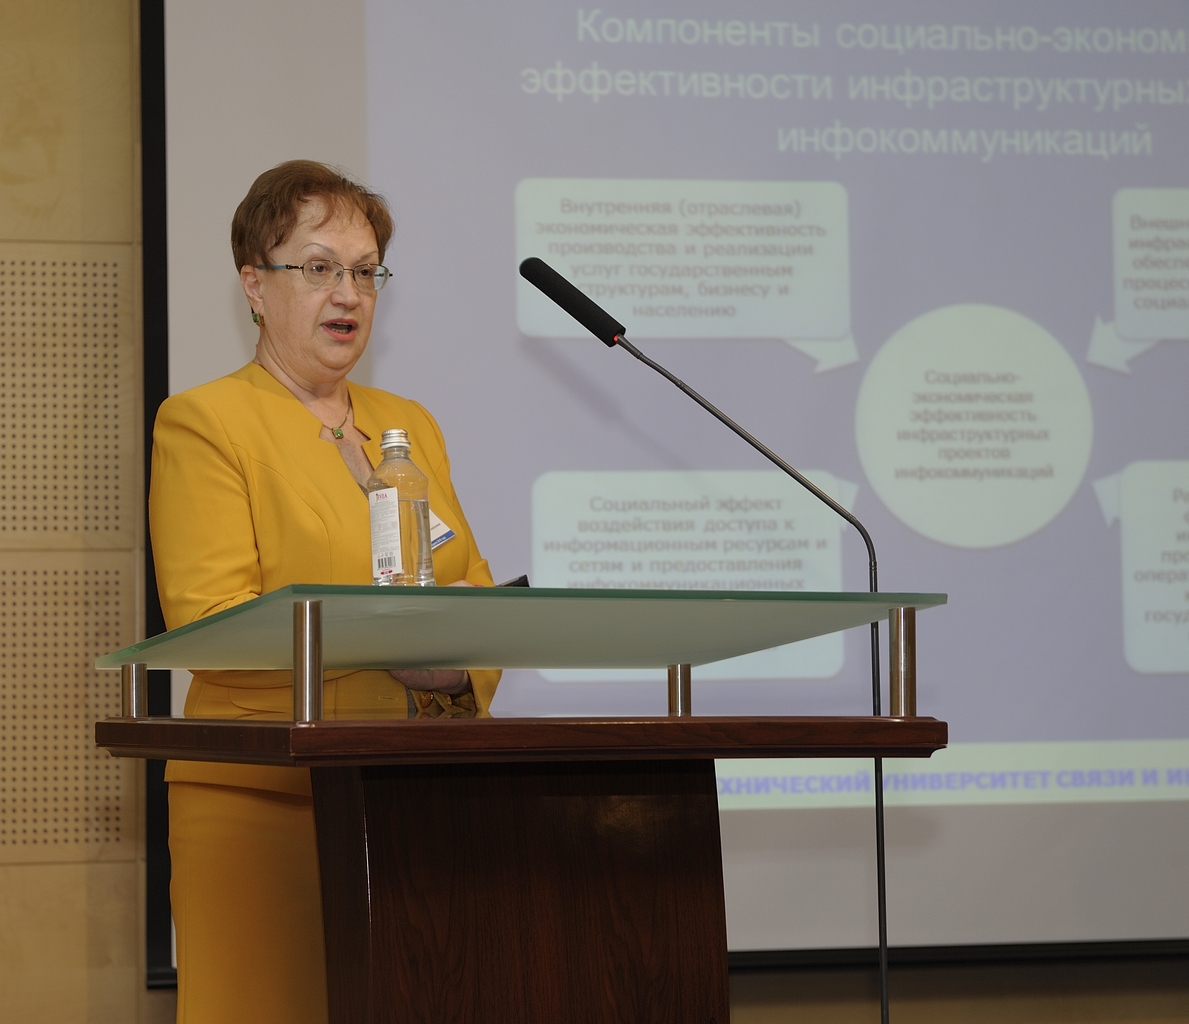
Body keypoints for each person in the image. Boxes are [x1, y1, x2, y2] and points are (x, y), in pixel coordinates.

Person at [149, 160, 499, 1024]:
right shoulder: (206, 422)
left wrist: (458, 671)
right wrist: (396, 644)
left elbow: (477, 592)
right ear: (254, 286)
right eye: (318, 267)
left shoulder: (409, 424)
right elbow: (211, 621)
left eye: (365, 271)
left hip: (413, 795)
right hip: (263, 801)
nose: (348, 293)